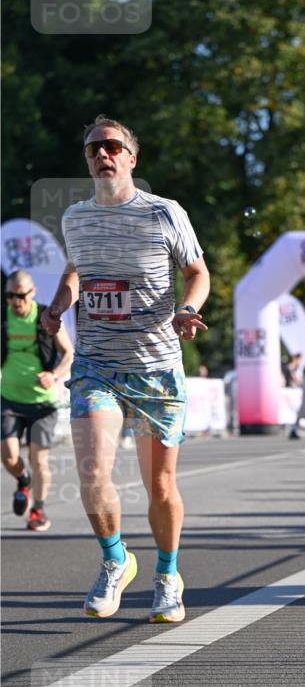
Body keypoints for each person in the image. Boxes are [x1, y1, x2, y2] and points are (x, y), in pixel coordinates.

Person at [41, 114, 210, 623]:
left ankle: (167, 574)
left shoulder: (164, 213)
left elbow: (197, 271)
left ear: (131, 158)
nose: (102, 155)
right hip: (97, 365)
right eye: (93, 149)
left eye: (112, 146)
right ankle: (116, 559)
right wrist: (56, 306)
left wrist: (187, 309)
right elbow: (75, 272)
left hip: (155, 367)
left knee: (159, 487)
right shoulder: (75, 218)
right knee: (92, 470)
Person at [1, 269, 74, 531]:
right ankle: (23, 481)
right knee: (8, 456)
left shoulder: (46, 318)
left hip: (43, 403)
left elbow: (68, 353)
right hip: (9, 399)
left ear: (32, 293)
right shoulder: (3, 317)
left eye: (20, 296)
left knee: (38, 458)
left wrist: (53, 375)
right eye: (9, 296)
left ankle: (38, 510)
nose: (15, 301)